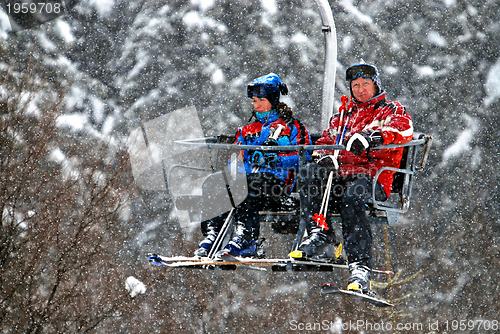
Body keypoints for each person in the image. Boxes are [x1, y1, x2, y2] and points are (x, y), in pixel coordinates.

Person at [296, 64, 413, 294]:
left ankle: (360, 265)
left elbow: (403, 130)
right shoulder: (343, 116)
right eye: (356, 85)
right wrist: (324, 157)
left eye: (365, 84)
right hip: (342, 174)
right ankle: (322, 233)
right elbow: (325, 142)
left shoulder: (390, 110)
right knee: (309, 174)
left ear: (375, 85)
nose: (360, 90)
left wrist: (374, 137)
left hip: (373, 177)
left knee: (352, 197)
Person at [194, 73, 311, 258]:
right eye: (254, 100)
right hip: (249, 185)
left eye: (261, 100)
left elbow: (304, 156)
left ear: (273, 100)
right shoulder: (247, 130)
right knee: (213, 182)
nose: (256, 105)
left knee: (248, 183)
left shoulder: (293, 126)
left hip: (276, 187)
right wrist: (237, 161)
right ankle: (212, 233)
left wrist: (275, 160)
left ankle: (246, 238)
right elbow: (234, 162)